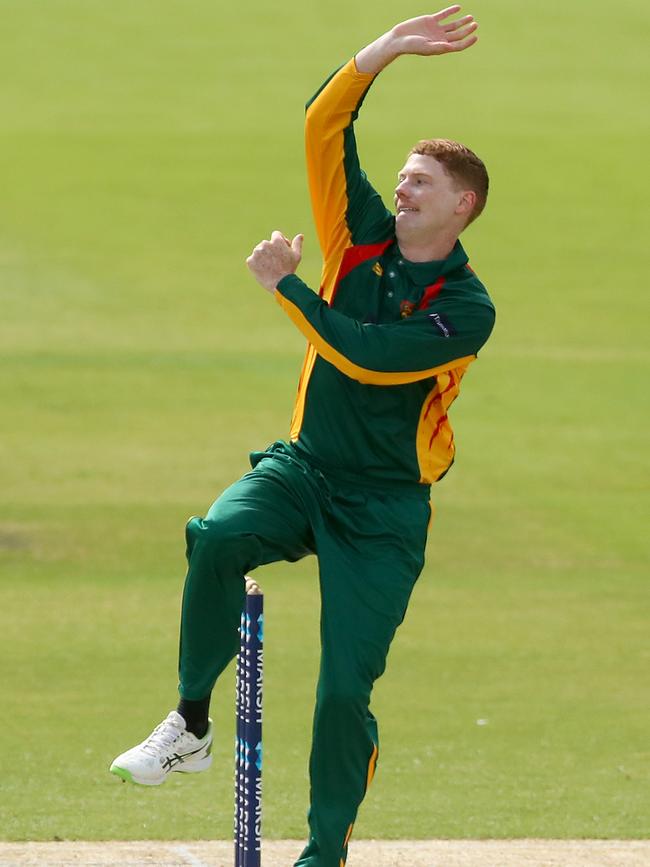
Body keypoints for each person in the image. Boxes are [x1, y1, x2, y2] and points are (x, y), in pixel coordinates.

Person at [110, 6, 494, 865]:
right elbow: (325, 122)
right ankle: (191, 722)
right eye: (400, 177)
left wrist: (288, 289)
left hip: (387, 509)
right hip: (305, 468)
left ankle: (322, 855)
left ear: (462, 206)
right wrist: (386, 49)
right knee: (215, 537)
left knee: (341, 693)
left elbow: (367, 359)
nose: (401, 190)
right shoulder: (357, 233)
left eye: (420, 183)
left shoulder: (467, 310)